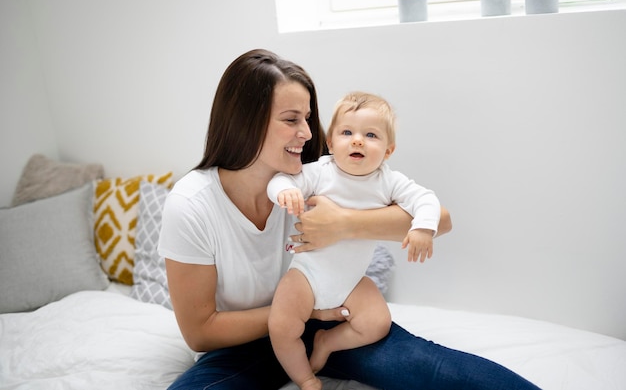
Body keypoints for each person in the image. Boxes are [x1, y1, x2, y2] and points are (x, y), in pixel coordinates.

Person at [158, 48, 541, 390]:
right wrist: (300, 313)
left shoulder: (318, 174)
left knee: (435, 371)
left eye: (307, 118)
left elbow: (440, 220)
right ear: (246, 121)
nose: (308, 133)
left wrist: (344, 223)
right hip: (247, 344)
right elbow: (200, 332)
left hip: (334, 324)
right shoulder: (192, 203)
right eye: (291, 119)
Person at [266, 91, 441, 390]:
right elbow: (281, 179)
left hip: (352, 281)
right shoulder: (320, 172)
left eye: (371, 135)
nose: (357, 140)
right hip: (306, 275)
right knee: (281, 326)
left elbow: (425, 198)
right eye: (347, 132)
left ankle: (327, 342)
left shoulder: (388, 181)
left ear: (388, 150)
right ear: (332, 143)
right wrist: (285, 191)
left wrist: (423, 228)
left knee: (377, 323)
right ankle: (305, 378)